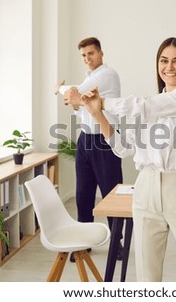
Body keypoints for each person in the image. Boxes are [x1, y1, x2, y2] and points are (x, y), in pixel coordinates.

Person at [81, 37, 176, 282]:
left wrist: (102, 101)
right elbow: (123, 148)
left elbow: (146, 107)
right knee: (147, 276)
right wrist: (97, 113)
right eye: (164, 61)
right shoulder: (149, 106)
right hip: (145, 189)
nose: (169, 67)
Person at [55, 37, 124, 262]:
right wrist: (76, 101)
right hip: (86, 139)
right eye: (83, 55)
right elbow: (79, 106)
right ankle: (83, 243)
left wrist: (59, 88)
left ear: (101, 53)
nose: (87, 58)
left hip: (105, 140)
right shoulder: (90, 77)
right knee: (83, 194)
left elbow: (75, 93)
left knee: (110, 192)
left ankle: (117, 244)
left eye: (91, 54)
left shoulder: (107, 74)